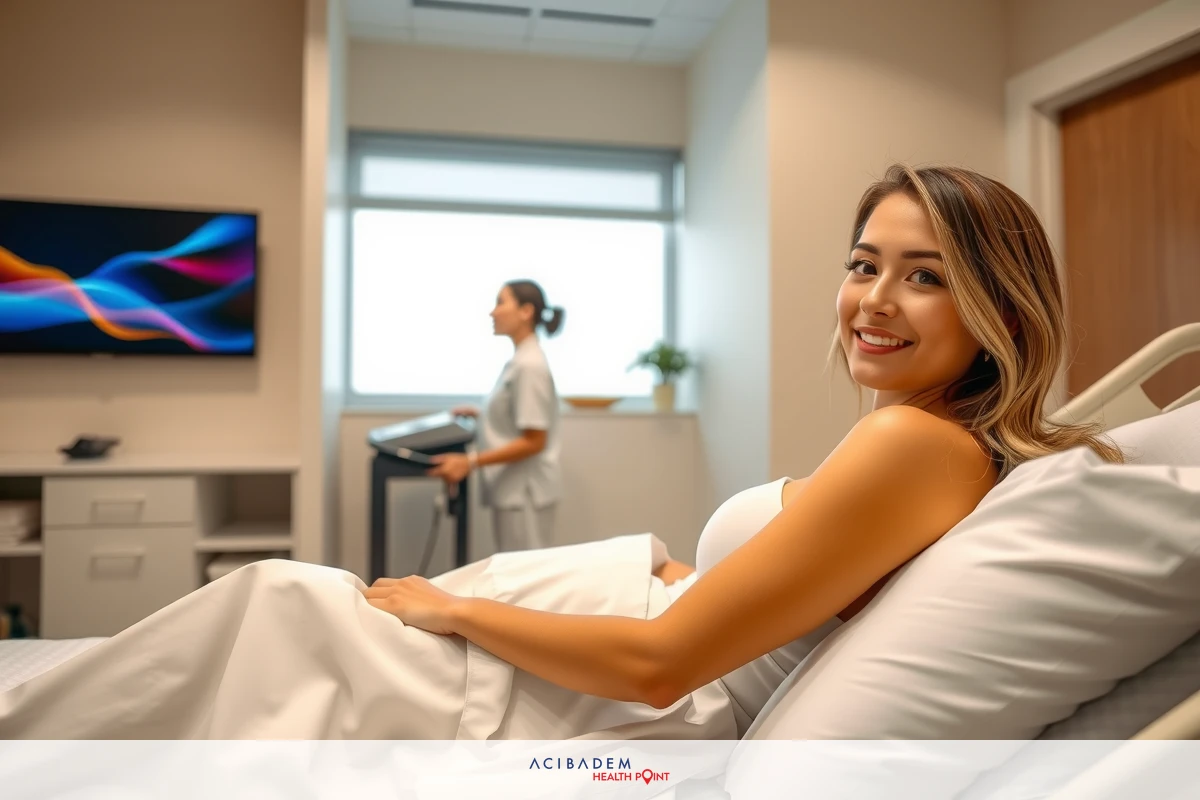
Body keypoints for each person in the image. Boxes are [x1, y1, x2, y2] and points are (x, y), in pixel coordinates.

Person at [0, 164, 1122, 740]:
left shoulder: (914, 445)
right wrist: (696, 576)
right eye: (864, 260)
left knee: (277, 602)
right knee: (279, 609)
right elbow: (811, 596)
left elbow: (662, 667)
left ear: (1001, 305)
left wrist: (456, 609)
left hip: (643, 693)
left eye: (924, 273)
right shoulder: (929, 435)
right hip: (641, 602)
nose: (874, 298)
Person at [429, 280, 564, 552]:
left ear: (526, 311)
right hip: (514, 491)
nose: (493, 312)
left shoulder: (530, 366)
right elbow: (519, 421)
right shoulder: (520, 361)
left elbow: (534, 440)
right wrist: (485, 416)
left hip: (524, 494)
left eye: (501, 303)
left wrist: (469, 461)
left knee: (525, 580)